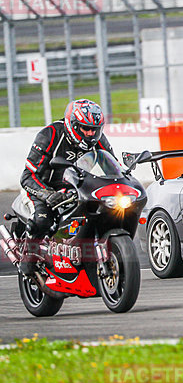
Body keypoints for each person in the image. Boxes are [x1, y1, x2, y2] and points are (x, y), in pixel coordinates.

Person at [18, 99, 114, 275]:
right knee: (42, 220)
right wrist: (47, 194)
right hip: (40, 188)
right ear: (73, 125)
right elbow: (27, 176)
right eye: (86, 128)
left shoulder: (97, 140)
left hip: (74, 189)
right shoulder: (50, 135)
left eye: (95, 129)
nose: (91, 133)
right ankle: (28, 259)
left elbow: (112, 169)